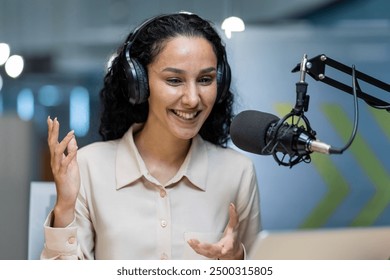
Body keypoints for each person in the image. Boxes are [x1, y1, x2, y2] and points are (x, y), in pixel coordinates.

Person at [41, 12, 260, 260]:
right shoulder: (89, 167)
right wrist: (64, 209)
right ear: (139, 84)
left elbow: (261, 266)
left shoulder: (238, 172)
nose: (192, 98)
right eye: (175, 80)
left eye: (205, 79)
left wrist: (238, 260)